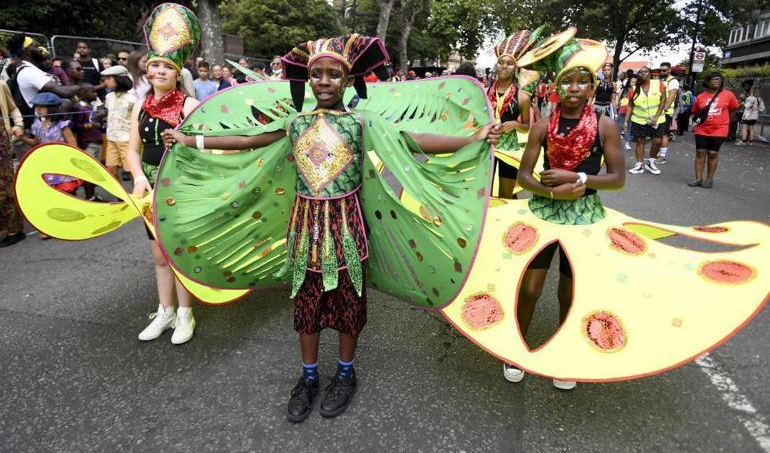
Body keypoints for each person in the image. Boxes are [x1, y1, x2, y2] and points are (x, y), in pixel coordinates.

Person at [161, 33, 501, 422]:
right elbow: (250, 140)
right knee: (306, 303)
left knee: (347, 303)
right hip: (305, 227)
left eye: (333, 75)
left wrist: (471, 137)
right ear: (307, 80)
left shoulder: (360, 122)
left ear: (348, 80)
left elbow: (412, 141)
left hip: (347, 228)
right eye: (316, 74)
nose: (324, 81)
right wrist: (191, 140)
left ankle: (345, 372)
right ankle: (307, 377)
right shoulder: (295, 122)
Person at [505, 40, 624, 390]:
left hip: (584, 217)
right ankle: (515, 349)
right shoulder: (542, 126)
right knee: (530, 288)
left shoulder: (605, 126)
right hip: (544, 213)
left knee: (569, 292)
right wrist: (553, 191)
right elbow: (525, 176)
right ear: (556, 86)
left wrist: (579, 178)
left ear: (592, 87)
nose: (575, 88)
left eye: (582, 81)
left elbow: (618, 179)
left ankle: (564, 353)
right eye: (567, 81)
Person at [126, 4, 202, 344]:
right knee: (158, 253)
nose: (158, 70)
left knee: (178, 250)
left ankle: (186, 314)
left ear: (177, 72)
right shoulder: (139, 107)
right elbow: (131, 150)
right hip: (149, 189)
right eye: (154, 64)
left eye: (165, 66)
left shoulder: (189, 106)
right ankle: (165, 311)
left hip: (180, 187)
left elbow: (209, 146)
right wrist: (139, 178)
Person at [17, 93, 83, 215]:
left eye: (42, 107)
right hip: (47, 167)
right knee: (53, 195)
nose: (38, 110)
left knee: (68, 195)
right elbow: (36, 143)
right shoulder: (37, 126)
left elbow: (74, 147)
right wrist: (22, 138)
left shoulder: (63, 126)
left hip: (63, 167)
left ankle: (75, 222)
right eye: (37, 107)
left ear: (52, 108)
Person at [487, 31, 533, 199]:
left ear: (516, 68)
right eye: (501, 62)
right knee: (484, 195)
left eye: (509, 63)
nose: (504, 66)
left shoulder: (522, 96)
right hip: (487, 147)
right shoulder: (484, 93)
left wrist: (515, 124)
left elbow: (526, 127)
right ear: (496, 65)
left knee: (506, 196)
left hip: (509, 150)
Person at [6, 34, 80, 126]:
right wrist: (82, 87)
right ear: (26, 51)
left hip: (46, 125)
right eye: (36, 46)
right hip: (44, 128)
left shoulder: (31, 69)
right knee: (66, 102)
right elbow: (65, 92)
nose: (40, 48)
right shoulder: (28, 72)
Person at [688, 72, 739, 188]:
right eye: (714, 79)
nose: (717, 80)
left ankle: (709, 179)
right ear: (708, 81)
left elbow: (733, 109)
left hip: (720, 128)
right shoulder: (701, 97)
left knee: (713, 153)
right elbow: (696, 111)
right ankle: (698, 179)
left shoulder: (728, 95)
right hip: (702, 129)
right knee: (700, 152)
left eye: (719, 79)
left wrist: (727, 123)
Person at [624, 66, 666, 175]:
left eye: (645, 71)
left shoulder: (659, 84)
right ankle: (639, 165)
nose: (642, 73)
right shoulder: (634, 88)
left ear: (650, 73)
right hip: (639, 119)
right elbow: (630, 105)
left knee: (657, 141)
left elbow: (663, 100)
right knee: (640, 141)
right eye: (640, 72)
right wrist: (626, 121)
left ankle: (651, 162)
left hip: (657, 119)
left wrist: (656, 116)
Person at [0, 79, 25, 247]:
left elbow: (13, 108)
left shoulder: (0, 85)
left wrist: (18, 124)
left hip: (1, 139)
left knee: (4, 185)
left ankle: (14, 230)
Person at [70, 84, 106, 201]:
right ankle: (90, 196)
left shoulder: (92, 106)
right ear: (83, 94)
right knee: (88, 171)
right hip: (88, 143)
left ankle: (92, 195)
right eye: (92, 92)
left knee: (94, 170)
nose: (95, 94)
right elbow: (76, 125)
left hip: (97, 141)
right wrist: (85, 126)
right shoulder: (81, 109)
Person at [101, 65, 136, 179]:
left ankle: (139, 195)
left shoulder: (132, 99)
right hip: (111, 138)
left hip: (127, 140)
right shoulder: (109, 97)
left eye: (109, 79)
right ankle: (121, 197)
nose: (106, 82)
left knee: (131, 170)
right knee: (111, 170)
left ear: (119, 79)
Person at [656, 62, 680, 164]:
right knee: (658, 134)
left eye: (664, 70)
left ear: (669, 70)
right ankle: (657, 154)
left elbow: (671, 97)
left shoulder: (673, 81)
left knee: (664, 134)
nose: (662, 72)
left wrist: (664, 110)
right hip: (659, 111)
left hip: (665, 112)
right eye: (660, 70)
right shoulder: (662, 80)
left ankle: (662, 157)